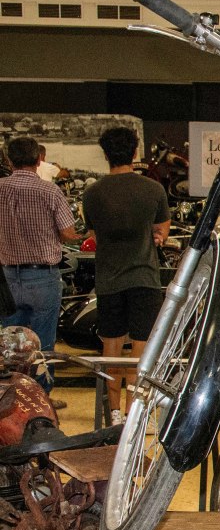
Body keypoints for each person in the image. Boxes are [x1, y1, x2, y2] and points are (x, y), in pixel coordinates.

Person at [83, 127, 170, 426]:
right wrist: (155, 237)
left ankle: (115, 413)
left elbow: (93, 233)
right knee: (140, 350)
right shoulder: (153, 190)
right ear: (134, 153)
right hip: (144, 278)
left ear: (105, 154)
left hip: (108, 279)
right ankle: (134, 413)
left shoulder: (92, 193)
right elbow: (162, 230)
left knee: (111, 350)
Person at [0, 137, 80, 399]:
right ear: (38, 160)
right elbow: (68, 233)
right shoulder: (50, 191)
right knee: (43, 346)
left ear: (9, 160)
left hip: (7, 278)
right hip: (43, 277)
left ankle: (12, 400)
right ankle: (40, 400)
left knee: (10, 346)